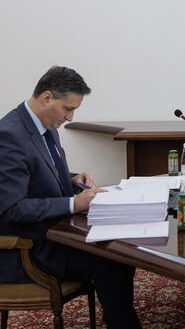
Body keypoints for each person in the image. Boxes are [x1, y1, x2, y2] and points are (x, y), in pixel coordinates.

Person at [0, 66, 141, 328]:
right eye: (67, 109)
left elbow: (34, 173)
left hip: (55, 234)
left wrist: (72, 178)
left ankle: (118, 319)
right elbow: (11, 209)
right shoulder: (8, 135)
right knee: (112, 259)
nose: (69, 117)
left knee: (121, 250)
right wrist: (73, 203)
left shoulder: (43, 125)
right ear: (47, 97)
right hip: (29, 249)